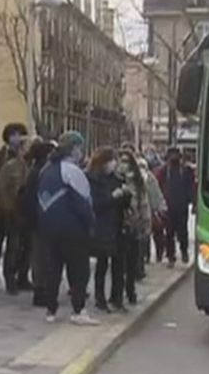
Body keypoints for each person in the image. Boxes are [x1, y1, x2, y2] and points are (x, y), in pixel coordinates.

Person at [36, 131, 99, 326]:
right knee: (78, 270)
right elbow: (83, 203)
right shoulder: (72, 171)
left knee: (53, 270)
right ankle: (78, 310)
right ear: (73, 149)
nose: (81, 152)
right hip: (73, 230)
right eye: (79, 148)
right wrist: (91, 224)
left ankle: (50, 310)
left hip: (49, 229)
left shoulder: (45, 170)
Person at [87, 147, 129, 312]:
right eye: (111, 160)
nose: (114, 164)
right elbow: (96, 204)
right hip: (102, 226)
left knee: (119, 264)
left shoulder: (117, 179)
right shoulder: (93, 179)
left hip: (118, 225)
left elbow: (124, 202)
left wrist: (125, 195)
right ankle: (100, 298)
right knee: (102, 264)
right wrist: (113, 197)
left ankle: (117, 297)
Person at [0, 124, 31, 294]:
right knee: (8, 243)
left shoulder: (27, 162)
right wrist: (2, 207)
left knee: (22, 245)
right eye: (14, 135)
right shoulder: (3, 159)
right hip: (7, 210)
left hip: (22, 212)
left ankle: (20, 276)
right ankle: (2, 274)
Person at [19, 139, 56, 309]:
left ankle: (44, 288)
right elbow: (33, 197)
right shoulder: (39, 172)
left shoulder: (42, 170)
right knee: (40, 257)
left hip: (42, 219)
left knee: (44, 257)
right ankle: (40, 291)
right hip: (39, 220)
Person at [118, 151, 153, 302]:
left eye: (126, 161)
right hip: (118, 226)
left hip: (134, 226)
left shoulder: (139, 183)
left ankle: (130, 291)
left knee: (132, 261)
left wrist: (146, 224)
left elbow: (144, 205)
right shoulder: (116, 179)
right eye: (121, 160)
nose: (123, 164)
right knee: (119, 264)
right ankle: (119, 293)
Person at [156, 146, 195, 267]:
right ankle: (171, 256)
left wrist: (193, 202)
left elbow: (191, 187)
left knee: (182, 231)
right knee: (169, 233)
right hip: (168, 207)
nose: (174, 158)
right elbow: (158, 188)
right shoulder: (163, 171)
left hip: (181, 206)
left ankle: (183, 252)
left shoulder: (186, 170)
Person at [140, 155, 167, 269]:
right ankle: (145, 255)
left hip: (152, 210)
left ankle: (159, 253)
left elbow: (157, 194)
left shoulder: (151, 179)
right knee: (144, 235)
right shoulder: (137, 179)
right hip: (142, 211)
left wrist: (160, 208)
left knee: (157, 233)